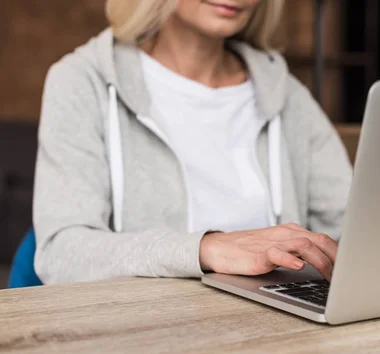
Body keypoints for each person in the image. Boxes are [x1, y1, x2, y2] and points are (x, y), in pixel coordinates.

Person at [33, 0, 352, 285]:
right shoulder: (83, 81)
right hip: (146, 335)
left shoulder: (287, 95)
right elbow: (61, 254)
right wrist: (203, 248)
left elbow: (351, 229)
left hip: (277, 329)